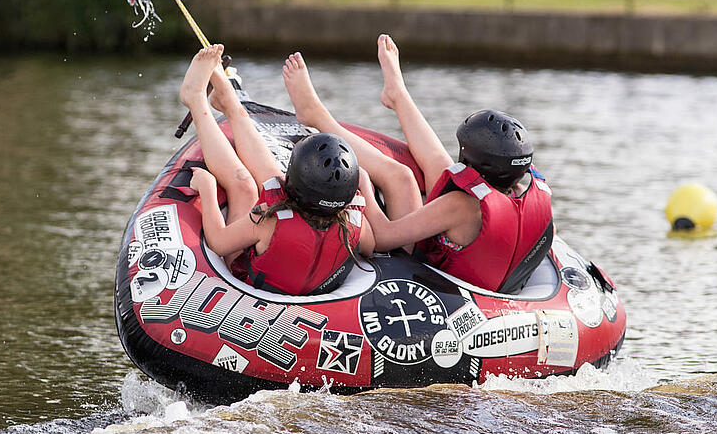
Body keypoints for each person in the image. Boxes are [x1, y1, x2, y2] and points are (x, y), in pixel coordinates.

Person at [281, 34, 554, 294]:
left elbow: (385, 237)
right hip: (485, 273)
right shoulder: (522, 190)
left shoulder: (460, 205)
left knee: (399, 176)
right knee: (437, 163)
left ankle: (318, 116)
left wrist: (365, 190)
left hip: (434, 276)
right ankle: (398, 95)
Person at [179, 44, 374, 295]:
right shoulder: (355, 224)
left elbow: (218, 242)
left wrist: (207, 188)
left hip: (250, 282)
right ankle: (231, 103)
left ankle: (196, 100)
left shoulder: (267, 221)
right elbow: (370, 246)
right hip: (304, 277)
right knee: (268, 180)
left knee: (243, 184)